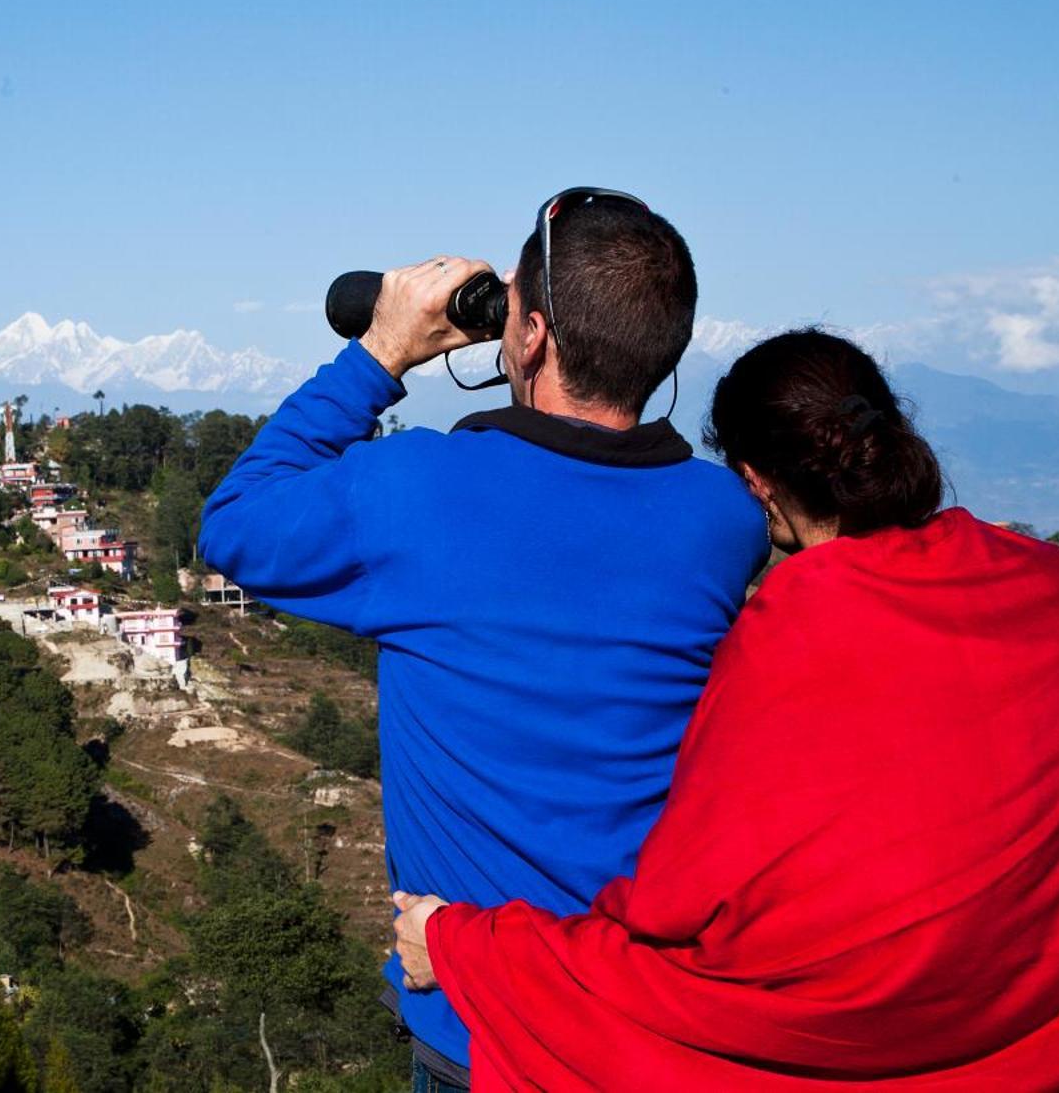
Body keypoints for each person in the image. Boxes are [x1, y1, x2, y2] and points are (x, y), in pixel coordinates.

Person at [393, 329, 1059, 1089]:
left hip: (881, 1034)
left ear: (756, 483)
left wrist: (464, 945)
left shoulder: (795, 632)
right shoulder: (1054, 584)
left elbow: (678, 917)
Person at [198, 189, 771, 1090]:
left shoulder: (420, 492)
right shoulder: (722, 519)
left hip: (483, 1023)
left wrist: (382, 350)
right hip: (656, 1016)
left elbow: (235, 522)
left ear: (531, 333)